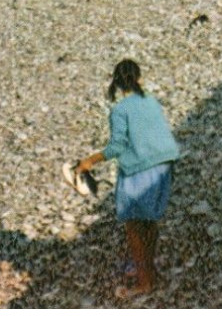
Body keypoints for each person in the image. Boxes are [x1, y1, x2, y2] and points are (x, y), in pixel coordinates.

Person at [72, 60, 180, 300]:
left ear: (117, 82)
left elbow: (118, 146)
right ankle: (148, 270)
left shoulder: (120, 110)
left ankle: (144, 282)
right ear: (139, 78)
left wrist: (90, 160)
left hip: (140, 169)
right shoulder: (150, 101)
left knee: (133, 225)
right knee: (149, 221)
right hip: (165, 164)